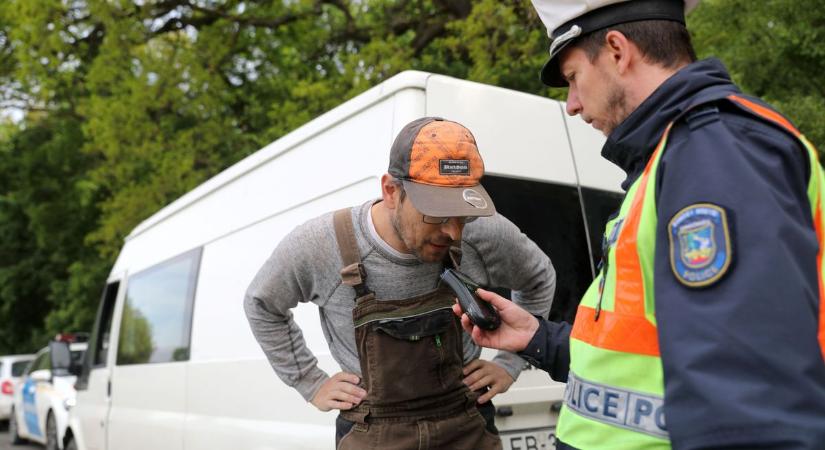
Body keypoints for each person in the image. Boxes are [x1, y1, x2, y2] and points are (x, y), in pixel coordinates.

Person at [455, 1, 825, 449]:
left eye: (572, 78)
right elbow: (638, 354)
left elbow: (747, 409)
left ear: (617, 50)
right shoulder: (670, 159)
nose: (571, 105)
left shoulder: (714, 155)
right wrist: (537, 338)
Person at [244, 117, 556, 449]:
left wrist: (511, 363)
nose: (453, 232)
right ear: (391, 191)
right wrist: (310, 382)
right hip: (372, 431)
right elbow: (262, 304)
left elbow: (539, 277)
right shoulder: (322, 244)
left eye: (462, 215)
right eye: (436, 214)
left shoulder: (485, 234)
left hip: (467, 425)